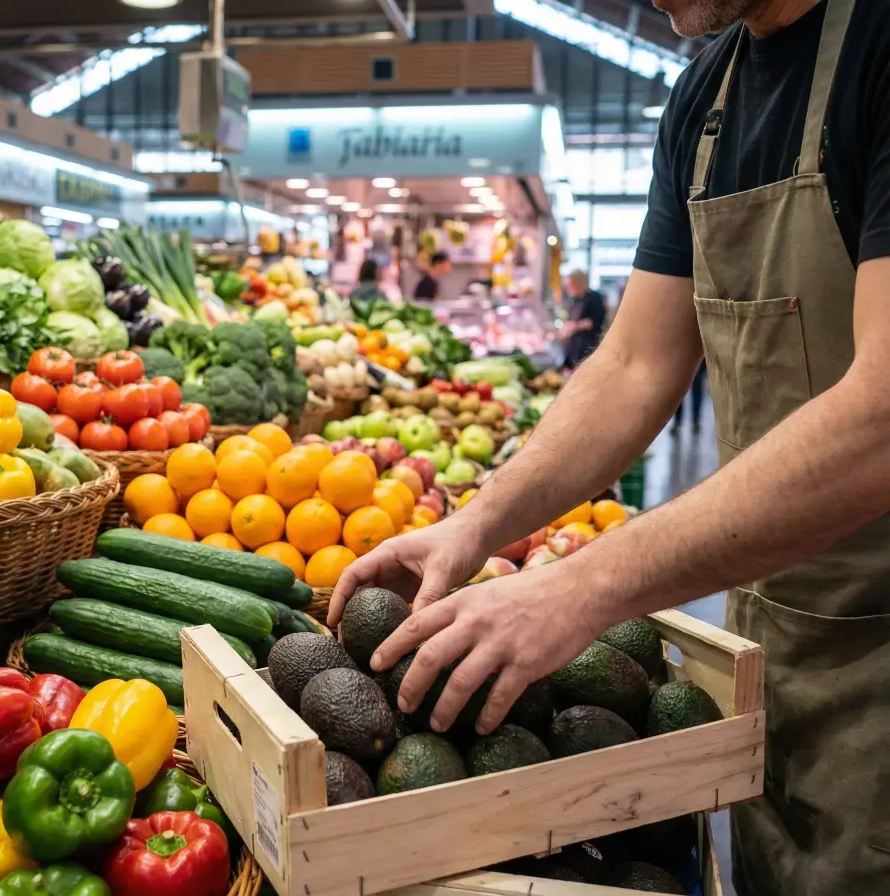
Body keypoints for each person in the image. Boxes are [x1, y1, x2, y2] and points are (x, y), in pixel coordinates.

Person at [328, 1, 890, 894]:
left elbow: (880, 419)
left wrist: (580, 586)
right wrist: (474, 527)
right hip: (777, 634)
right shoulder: (706, 96)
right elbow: (634, 365)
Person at [560, 271, 607, 369]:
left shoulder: (594, 298)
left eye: (571, 285)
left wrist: (575, 326)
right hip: (573, 346)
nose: (569, 288)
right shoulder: (576, 299)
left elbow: (595, 322)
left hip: (587, 345)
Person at [671, 360, 708, 435]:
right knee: (682, 389)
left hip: (692, 359)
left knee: (684, 389)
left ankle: (681, 422)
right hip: (687, 359)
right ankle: (693, 421)